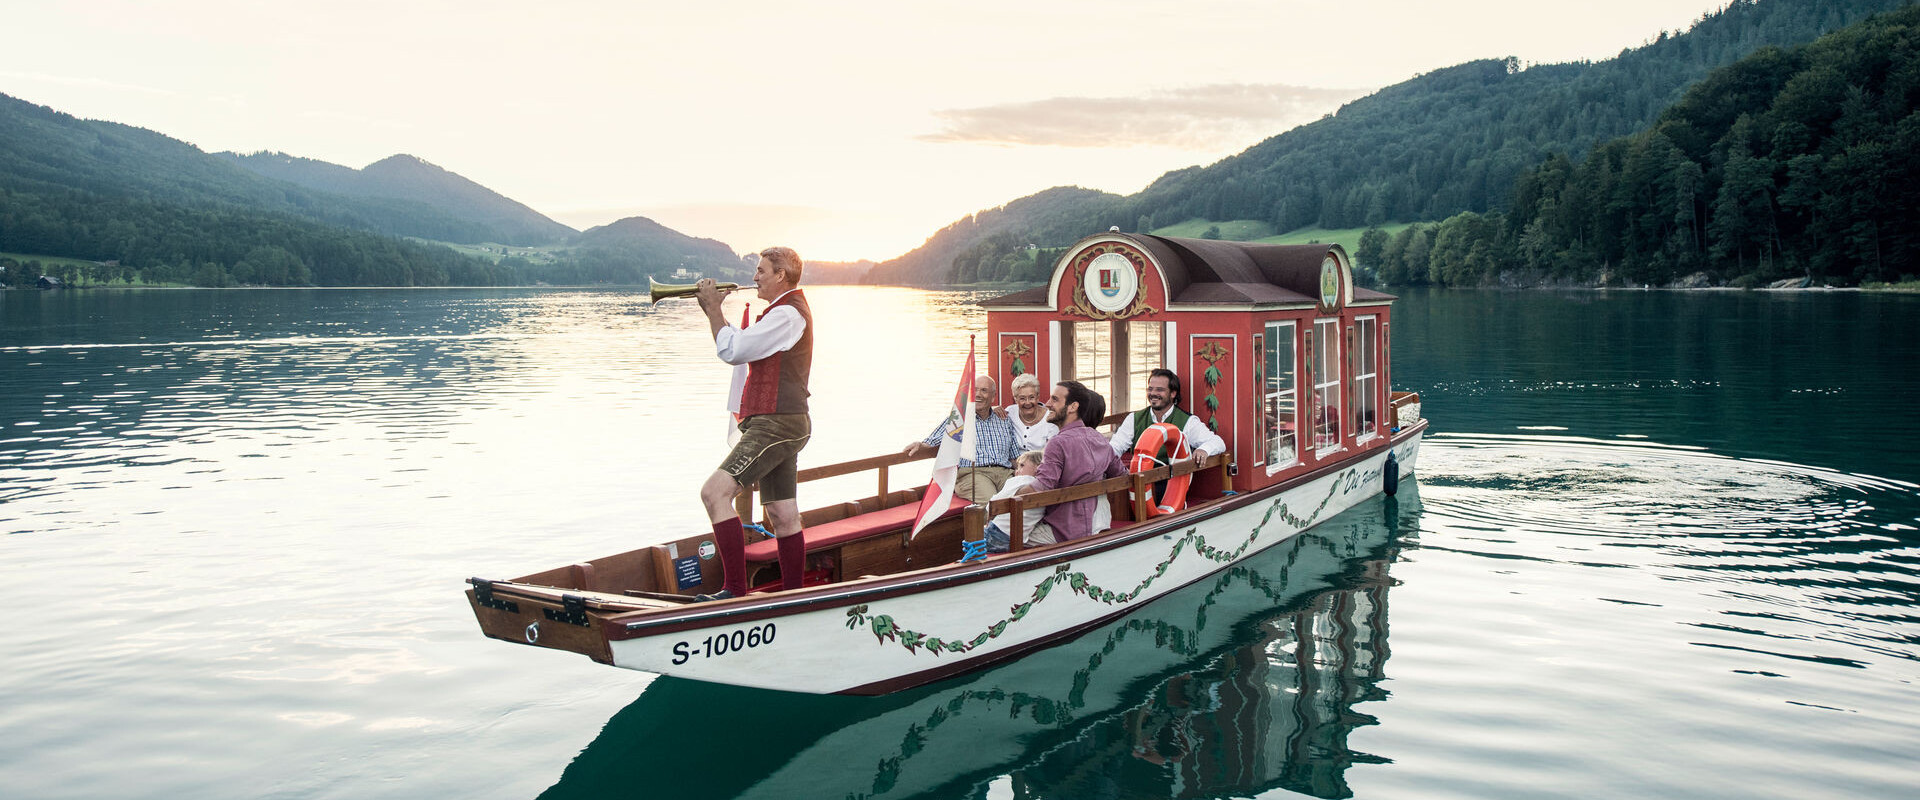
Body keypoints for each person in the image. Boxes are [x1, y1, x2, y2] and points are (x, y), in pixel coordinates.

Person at [692, 247, 811, 601]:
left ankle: (734, 592)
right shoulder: (781, 313)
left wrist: (714, 310)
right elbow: (740, 345)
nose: (755, 277)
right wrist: (718, 316)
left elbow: (733, 352)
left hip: (777, 424)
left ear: (781, 275)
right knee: (782, 512)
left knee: (714, 493)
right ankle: (795, 598)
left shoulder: (786, 315)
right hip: (783, 421)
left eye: (761, 270)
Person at [1016, 380, 1126, 544]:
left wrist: (1011, 497)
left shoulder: (1057, 443)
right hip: (1097, 524)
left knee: (1008, 535)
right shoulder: (1099, 438)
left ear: (1073, 407)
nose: (1047, 404)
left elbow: (1043, 487)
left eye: (1054, 399)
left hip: (1064, 531)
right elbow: (1122, 475)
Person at [1109, 368, 1227, 503]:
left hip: (1170, 488)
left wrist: (1203, 450)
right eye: (1150, 389)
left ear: (1173, 393)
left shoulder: (1187, 421)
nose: (1153, 393)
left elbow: (1218, 442)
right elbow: (1115, 448)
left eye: (1159, 390)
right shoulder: (1134, 419)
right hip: (1137, 485)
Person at [902, 374, 1023, 502]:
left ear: (993, 396)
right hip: (973, 474)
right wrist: (920, 445)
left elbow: (1014, 456)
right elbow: (932, 440)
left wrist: (1027, 473)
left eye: (984, 390)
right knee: (993, 502)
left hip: (1004, 473)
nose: (978, 394)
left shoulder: (1003, 419)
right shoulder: (960, 418)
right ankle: (995, 522)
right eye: (975, 390)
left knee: (1024, 496)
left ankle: (1021, 521)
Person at [982, 450, 1045, 553]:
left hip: (997, 533)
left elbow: (992, 505)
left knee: (973, 538)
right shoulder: (1045, 486)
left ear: (1038, 467)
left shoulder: (1021, 480)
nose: (1017, 471)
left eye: (1022, 466)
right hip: (1018, 538)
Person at [1004, 372, 1058, 450]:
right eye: (1022, 398)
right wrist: (994, 408)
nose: (1028, 402)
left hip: (1041, 461)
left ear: (1038, 397)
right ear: (1015, 399)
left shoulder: (1051, 418)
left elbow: (1052, 453)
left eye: (1031, 397)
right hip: (1014, 461)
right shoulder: (1010, 412)